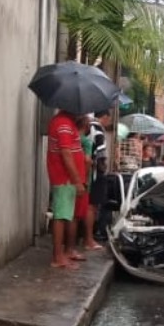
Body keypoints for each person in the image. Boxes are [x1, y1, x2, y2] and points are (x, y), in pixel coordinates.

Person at [46, 108, 86, 269]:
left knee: (65, 215)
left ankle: (63, 253)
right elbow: (66, 154)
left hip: (67, 178)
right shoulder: (63, 124)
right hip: (65, 178)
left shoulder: (67, 123)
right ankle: (57, 257)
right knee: (61, 216)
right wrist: (76, 180)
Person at [76, 115, 102, 250]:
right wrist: (84, 179)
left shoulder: (72, 139)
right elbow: (87, 160)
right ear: (86, 126)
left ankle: (74, 243)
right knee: (84, 209)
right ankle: (86, 240)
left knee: (72, 212)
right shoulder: (86, 142)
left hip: (71, 177)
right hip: (83, 179)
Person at [87, 109, 111, 244]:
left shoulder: (88, 127)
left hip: (88, 170)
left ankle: (87, 237)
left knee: (88, 205)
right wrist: (103, 168)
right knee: (92, 206)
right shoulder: (98, 130)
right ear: (105, 116)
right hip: (96, 172)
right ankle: (89, 238)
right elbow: (100, 153)